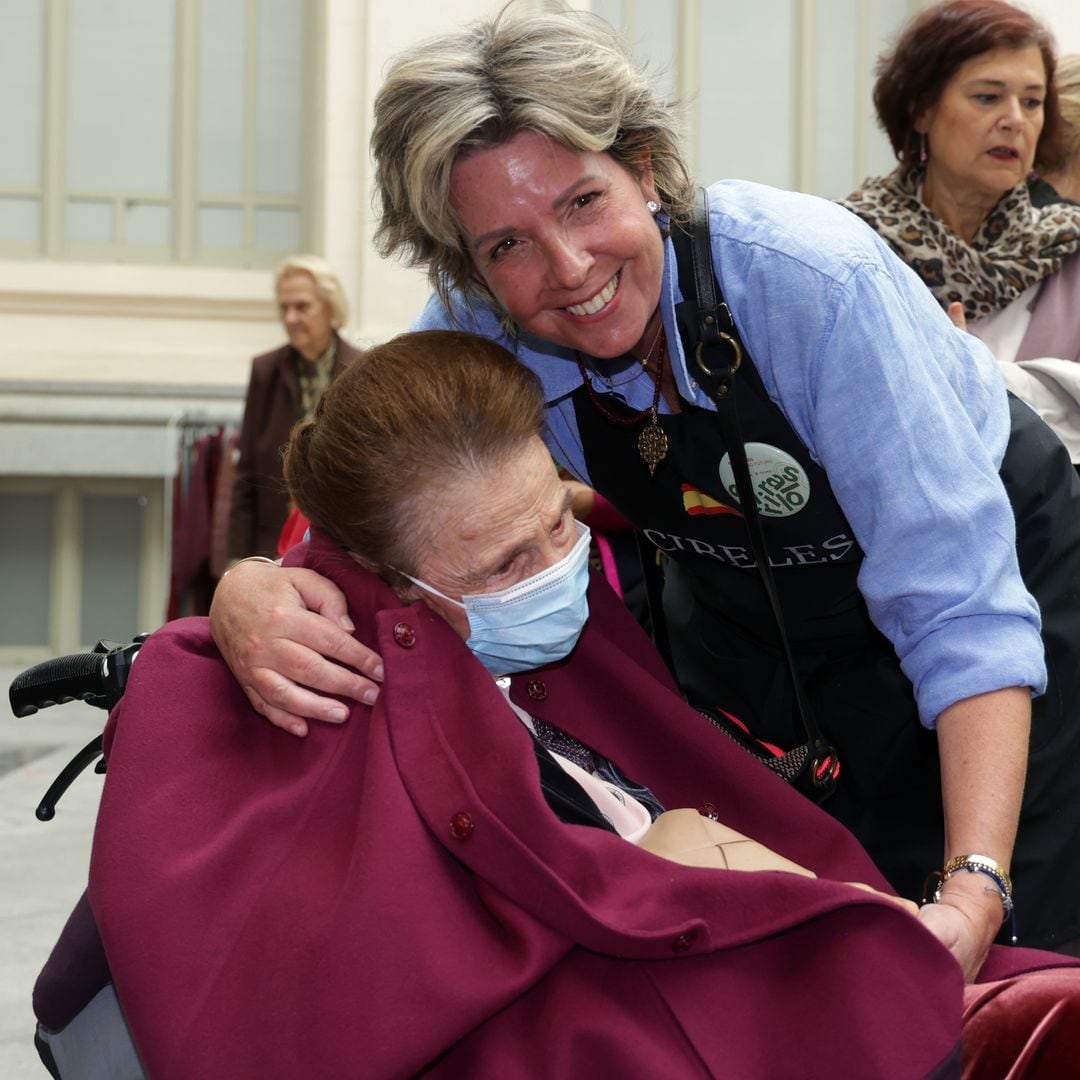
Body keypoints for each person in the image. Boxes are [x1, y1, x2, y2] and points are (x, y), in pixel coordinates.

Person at [209, 8, 1080, 972]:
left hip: (997, 591)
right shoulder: (475, 333)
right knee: (810, 942)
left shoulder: (809, 285)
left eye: (584, 201)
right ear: (467, 268)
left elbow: (955, 599)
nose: (569, 270)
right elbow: (362, 509)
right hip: (749, 614)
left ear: (646, 166)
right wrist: (250, 589)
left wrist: (976, 885)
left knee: (1016, 944)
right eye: (507, 247)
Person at [83, 331, 1080, 1078]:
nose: (560, 568)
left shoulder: (550, 621)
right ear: (389, 583)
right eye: (509, 562)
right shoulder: (295, 660)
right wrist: (245, 589)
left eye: (559, 523)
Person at [841, 1, 1080, 462]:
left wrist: (972, 377)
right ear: (922, 111)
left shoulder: (1068, 250)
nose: (1015, 119)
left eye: (1032, 102)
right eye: (988, 97)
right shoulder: (849, 244)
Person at [226, 254, 362, 562]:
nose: (290, 318)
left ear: (330, 308)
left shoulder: (360, 370)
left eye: (301, 306)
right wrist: (236, 560)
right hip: (272, 544)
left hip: (342, 547)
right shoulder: (266, 372)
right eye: (284, 308)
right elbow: (245, 472)